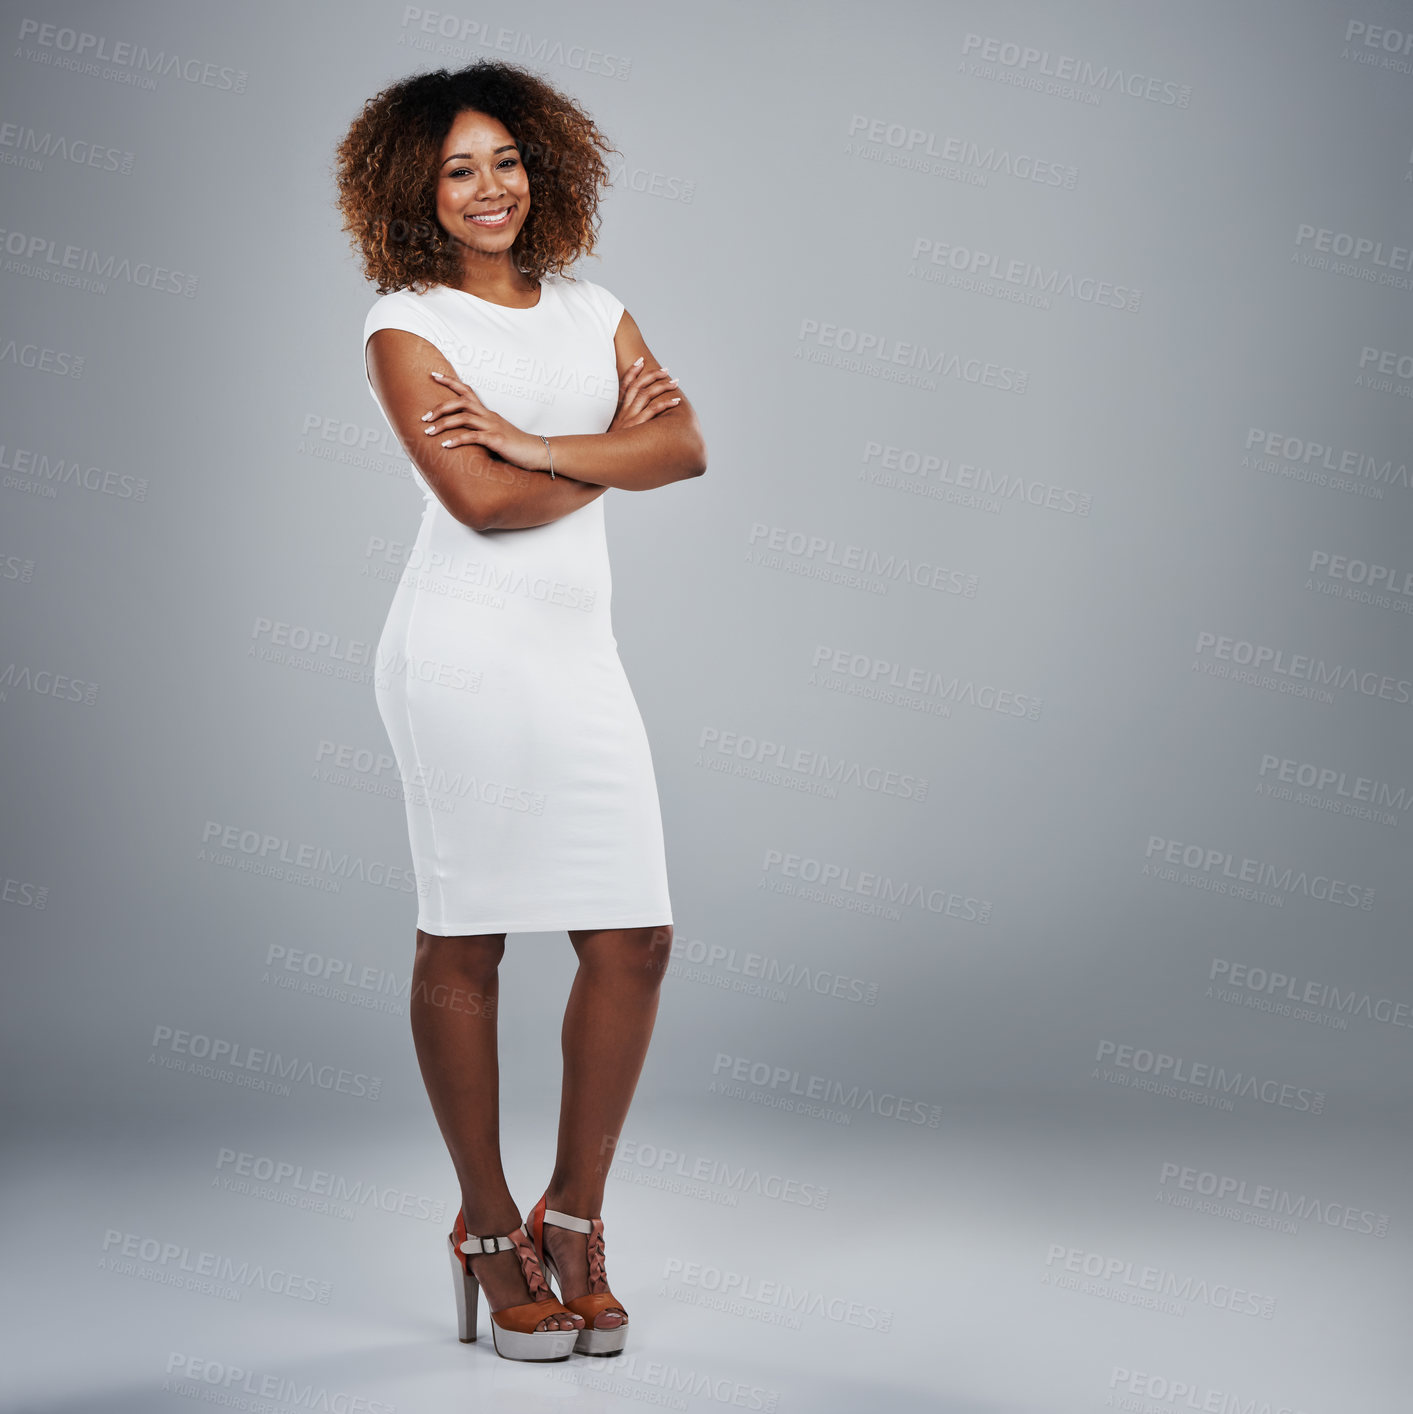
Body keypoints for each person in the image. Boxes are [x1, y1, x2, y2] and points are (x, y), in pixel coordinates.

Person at [334, 61, 706, 1363]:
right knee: (470, 937)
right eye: (457, 168)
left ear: (540, 164)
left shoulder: (596, 306)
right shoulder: (406, 324)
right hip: (457, 660)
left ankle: (576, 1214)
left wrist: (535, 442)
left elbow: (688, 447)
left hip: (577, 657)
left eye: (504, 159)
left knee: (635, 939)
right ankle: (487, 1223)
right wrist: (610, 445)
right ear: (414, 191)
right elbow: (476, 507)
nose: (489, 187)